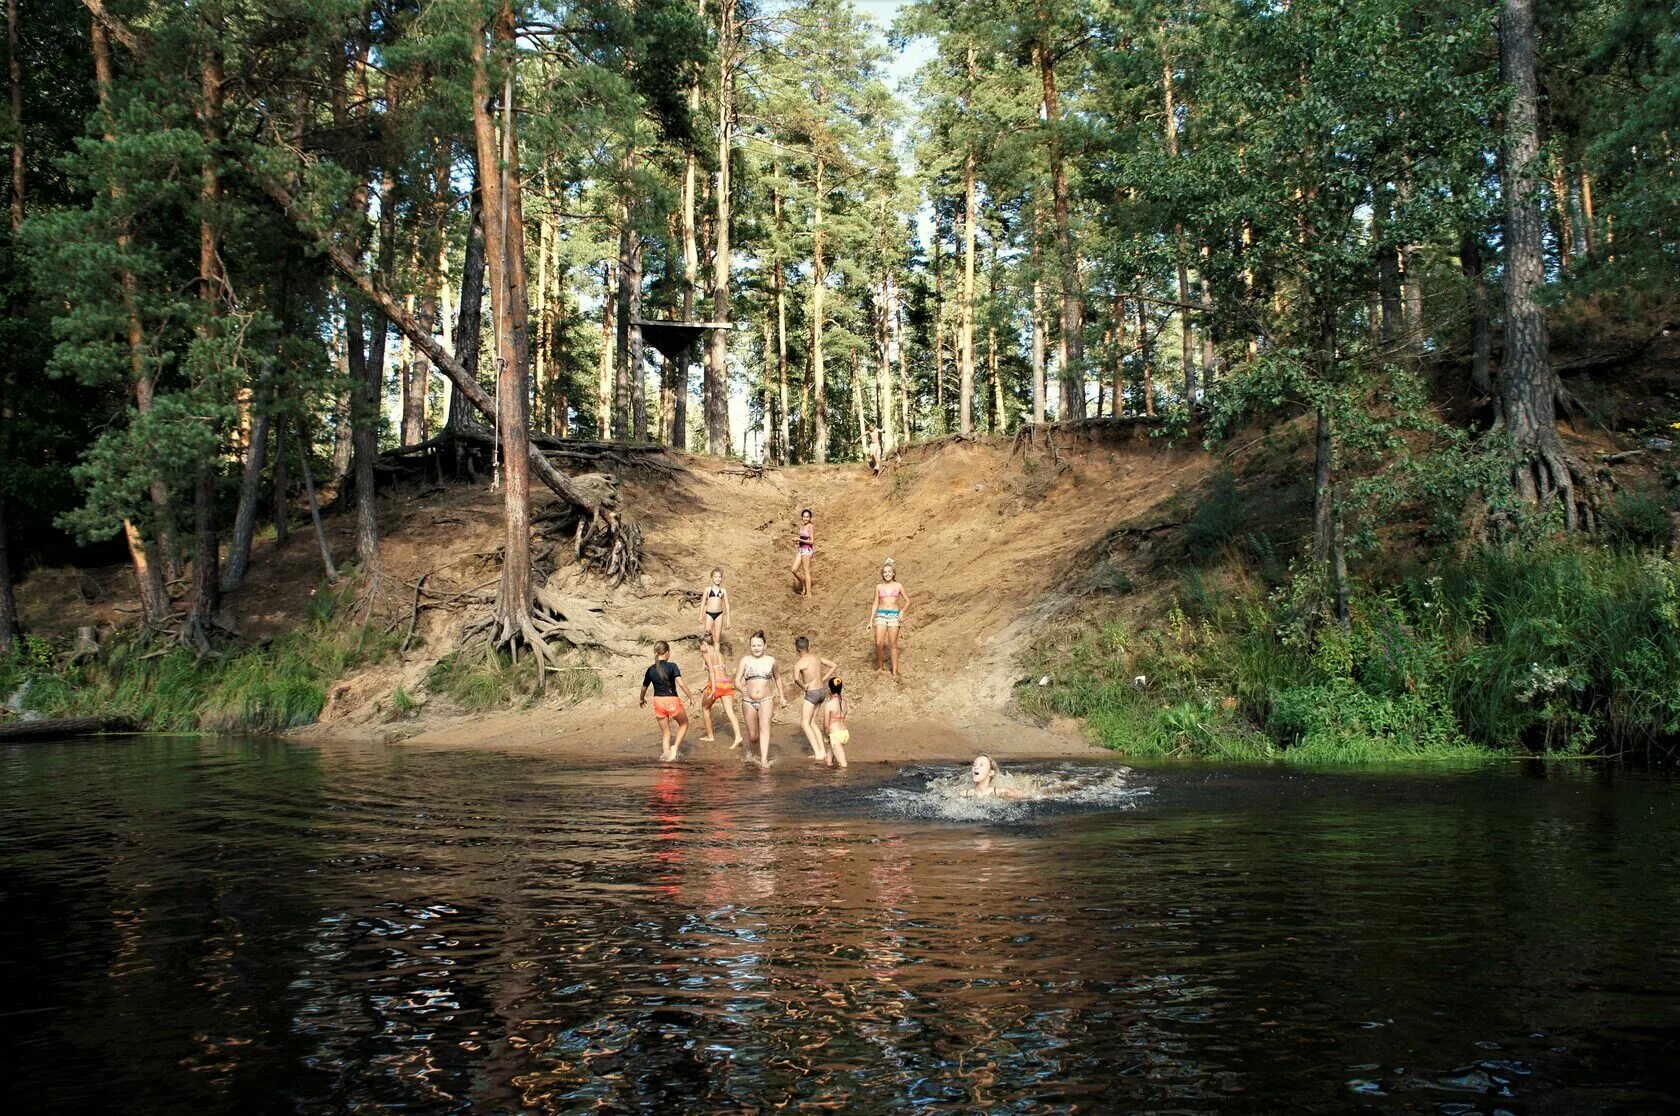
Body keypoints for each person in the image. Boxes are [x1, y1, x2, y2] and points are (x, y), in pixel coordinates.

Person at [732, 630, 786, 768]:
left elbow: (778, 678)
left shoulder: (771, 661)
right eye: (753, 645)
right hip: (748, 701)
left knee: (765, 727)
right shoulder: (745, 660)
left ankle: (763, 760)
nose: (756, 648)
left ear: (765, 646)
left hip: (766, 699)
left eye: (759, 645)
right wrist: (740, 688)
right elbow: (737, 680)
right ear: (750, 646)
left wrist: (782, 696)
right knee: (753, 735)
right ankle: (753, 753)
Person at [639, 641, 695, 763]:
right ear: (667, 653)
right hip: (671, 700)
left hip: (657, 701)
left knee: (665, 733)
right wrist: (690, 696)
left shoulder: (650, 670)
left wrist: (641, 699)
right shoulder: (672, 666)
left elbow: (644, 688)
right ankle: (674, 748)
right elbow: (680, 683)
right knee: (684, 724)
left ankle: (666, 756)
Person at [790, 634, 838, 763]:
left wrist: (803, 687)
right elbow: (833, 665)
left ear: (796, 649)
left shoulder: (799, 663)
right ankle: (822, 750)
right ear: (809, 646)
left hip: (811, 693)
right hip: (821, 692)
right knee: (812, 722)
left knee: (805, 723)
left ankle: (818, 752)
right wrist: (823, 679)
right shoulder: (816, 657)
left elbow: (795, 678)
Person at [866, 559, 912, 679]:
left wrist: (902, 612)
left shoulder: (898, 586)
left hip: (894, 616)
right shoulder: (879, 587)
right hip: (881, 615)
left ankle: (895, 671)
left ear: (893, 573)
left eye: (889, 572)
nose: (887, 574)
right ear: (882, 574)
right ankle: (881, 667)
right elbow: (875, 604)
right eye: (885, 572)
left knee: (892, 644)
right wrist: (871, 620)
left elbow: (908, 601)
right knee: (879, 643)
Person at [698, 630, 743, 748]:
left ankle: (710, 736)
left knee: (705, 708)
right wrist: (706, 685)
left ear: (705, 644)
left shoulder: (707, 654)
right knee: (730, 712)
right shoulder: (720, 654)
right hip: (726, 683)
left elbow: (712, 672)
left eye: (700, 645)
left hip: (716, 685)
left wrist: (712, 688)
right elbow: (720, 671)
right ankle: (738, 736)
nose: (700, 648)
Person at [963, 753, 1035, 800]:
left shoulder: (1002, 792)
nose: (976, 767)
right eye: (974, 765)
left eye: (981, 765)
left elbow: (1028, 797)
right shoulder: (964, 794)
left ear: (990, 773)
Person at [822, 676, 850, 768]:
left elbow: (826, 725)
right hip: (844, 733)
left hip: (835, 735)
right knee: (828, 761)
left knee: (843, 765)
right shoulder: (844, 702)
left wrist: (826, 737)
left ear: (830, 689)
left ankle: (843, 781)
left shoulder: (829, 705)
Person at [699, 566, 731, 644]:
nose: (717, 579)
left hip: (719, 615)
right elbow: (703, 602)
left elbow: (727, 605)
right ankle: (709, 655)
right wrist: (700, 615)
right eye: (715, 577)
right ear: (712, 578)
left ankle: (716, 655)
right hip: (709, 614)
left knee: (717, 639)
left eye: (719, 577)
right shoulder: (708, 589)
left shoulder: (723, 590)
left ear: (721, 578)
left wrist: (728, 619)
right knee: (707, 638)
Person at [791, 508, 815, 596]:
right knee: (793, 569)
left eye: (807, 517)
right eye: (804, 517)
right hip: (801, 549)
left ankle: (809, 593)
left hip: (807, 550)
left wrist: (799, 539)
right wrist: (797, 541)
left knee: (806, 571)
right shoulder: (802, 526)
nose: (805, 518)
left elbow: (812, 541)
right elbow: (803, 538)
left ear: (810, 518)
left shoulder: (810, 526)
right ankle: (803, 582)